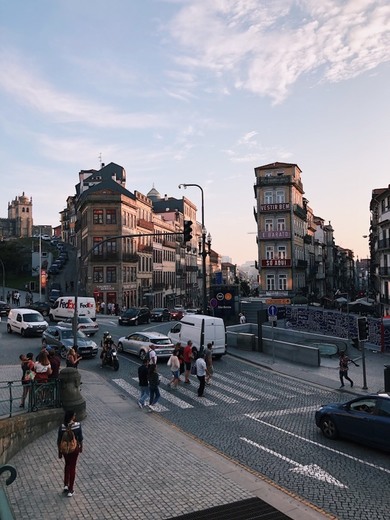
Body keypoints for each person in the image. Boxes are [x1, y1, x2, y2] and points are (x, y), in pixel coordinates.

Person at [57, 410, 83, 497]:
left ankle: (65, 485)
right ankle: (71, 489)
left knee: (67, 465)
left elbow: (59, 440)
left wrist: (59, 451)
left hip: (65, 450)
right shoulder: (77, 426)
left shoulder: (62, 427)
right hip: (74, 449)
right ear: (72, 417)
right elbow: (80, 438)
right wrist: (81, 447)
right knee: (72, 467)